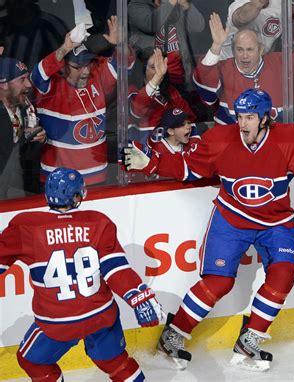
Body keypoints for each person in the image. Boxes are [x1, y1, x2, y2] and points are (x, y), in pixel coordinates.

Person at [122, 88, 294, 370]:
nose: (243, 124)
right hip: (231, 218)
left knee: (284, 273)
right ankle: (174, 335)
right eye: (240, 116)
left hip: (276, 221)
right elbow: (189, 166)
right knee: (218, 281)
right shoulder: (220, 139)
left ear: (266, 118)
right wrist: (152, 163)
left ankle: (250, 339)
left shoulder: (291, 140)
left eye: (250, 117)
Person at [0, 167, 163, 381]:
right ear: (76, 196)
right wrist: (139, 297)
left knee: (31, 361)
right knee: (115, 362)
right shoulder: (97, 221)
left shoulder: (26, 226)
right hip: (101, 315)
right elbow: (116, 269)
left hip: (58, 322)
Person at [30, 16, 128, 186]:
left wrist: (117, 44)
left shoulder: (96, 77)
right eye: (77, 67)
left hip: (97, 176)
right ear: (63, 66)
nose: (84, 72)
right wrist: (65, 48)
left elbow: (125, 63)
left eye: (87, 64)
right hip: (58, 178)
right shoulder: (50, 87)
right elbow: (37, 75)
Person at [193, 0, 294, 124]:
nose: (245, 55)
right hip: (230, 76)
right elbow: (241, 18)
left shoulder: (279, 63)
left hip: (266, 64)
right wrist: (216, 45)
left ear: (260, 50)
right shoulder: (240, 5)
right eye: (240, 50)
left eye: (249, 50)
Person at [128, 0, 205, 89]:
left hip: (182, 78)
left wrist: (185, 4)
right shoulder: (136, 5)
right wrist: (170, 2)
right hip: (155, 81)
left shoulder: (176, 5)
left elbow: (198, 26)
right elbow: (151, 24)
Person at [128, 47, 196, 145]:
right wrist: (157, 77)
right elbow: (137, 110)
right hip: (141, 153)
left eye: (161, 66)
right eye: (153, 67)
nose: (159, 70)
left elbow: (189, 120)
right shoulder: (131, 90)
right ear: (142, 69)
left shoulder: (171, 92)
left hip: (167, 153)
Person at [0, 57, 46, 198]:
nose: (28, 84)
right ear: (4, 84)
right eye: (22, 79)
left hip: (19, 188)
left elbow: (27, 156)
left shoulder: (26, 108)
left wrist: (40, 139)